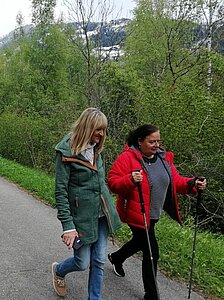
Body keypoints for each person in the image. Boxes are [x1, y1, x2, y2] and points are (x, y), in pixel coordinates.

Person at [106, 124, 207, 300]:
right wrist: (130, 179)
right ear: (140, 141)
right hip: (136, 213)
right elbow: (113, 182)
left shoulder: (163, 159)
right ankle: (151, 295)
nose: (156, 145)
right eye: (152, 141)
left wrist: (193, 183)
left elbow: (175, 182)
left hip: (153, 214)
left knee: (140, 242)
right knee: (152, 252)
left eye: (158, 141)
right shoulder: (127, 158)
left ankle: (117, 257)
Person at [51, 108, 122, 300]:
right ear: (86, 127)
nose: (101, 134)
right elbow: (61, 191)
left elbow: (100, 181)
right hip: (81, 218)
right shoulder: (66, 152)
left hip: (101, 215)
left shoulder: (97, 148)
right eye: (98, 129)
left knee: (98, 261)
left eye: (103, 130)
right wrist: (68, 226)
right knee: (82, 262)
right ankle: (59, 270)